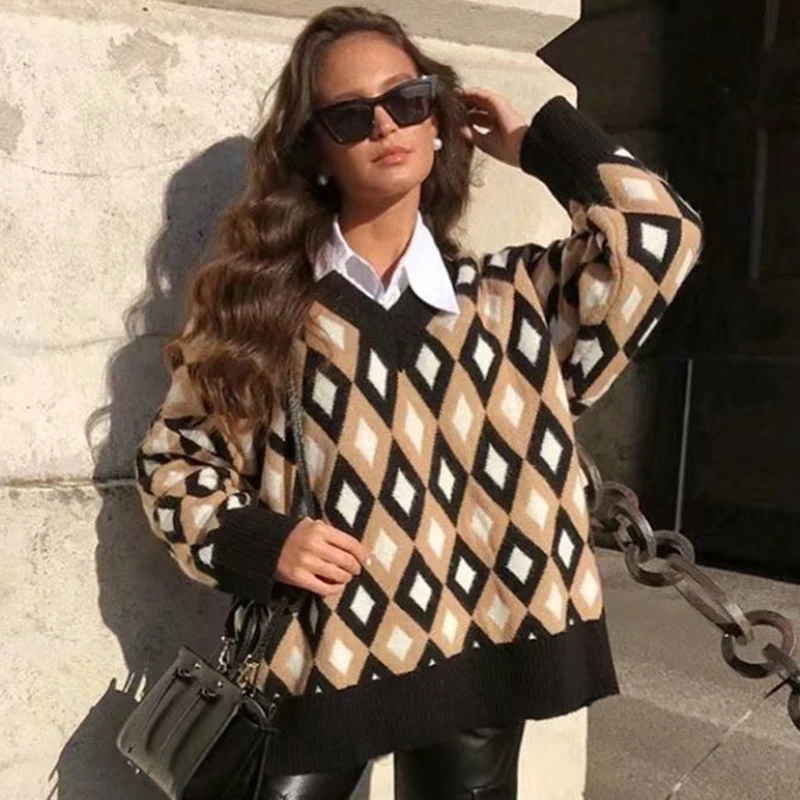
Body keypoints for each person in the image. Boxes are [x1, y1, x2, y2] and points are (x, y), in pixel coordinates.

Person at [134, 5, 703, 798]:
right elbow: (173, 459)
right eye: (349, 114)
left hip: (482, 643)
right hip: (321, 656)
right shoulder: (262, 308)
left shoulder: (514, 299)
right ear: (317, 148)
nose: (384, 125)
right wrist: (261, 542)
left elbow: (660, 235)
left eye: (407, 100)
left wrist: (539, 143)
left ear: (437, 121)